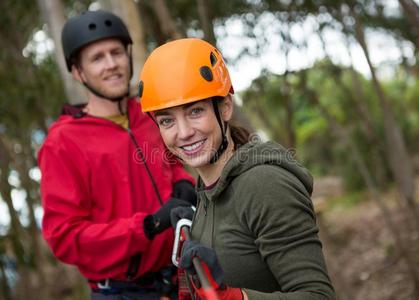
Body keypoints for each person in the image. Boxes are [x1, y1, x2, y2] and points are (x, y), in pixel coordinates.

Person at [138, 38, 335, 299]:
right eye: (167, 121)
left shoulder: (264, 185)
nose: (183, 133)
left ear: (226, 107)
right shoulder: (208, 192)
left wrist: (236, 297)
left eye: (195, 111)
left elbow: (317, 295)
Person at [38, 10, 197, 300]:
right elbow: (64, 238)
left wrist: (183, 182)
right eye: (97, 58)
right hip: (123, 292)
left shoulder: (149, 115)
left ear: (128, 55)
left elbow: (170, 167)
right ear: (78, 72)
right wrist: (147, 227)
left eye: (116, 53)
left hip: (181, 278)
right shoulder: (61, 143)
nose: (112, 65)